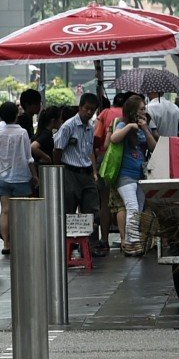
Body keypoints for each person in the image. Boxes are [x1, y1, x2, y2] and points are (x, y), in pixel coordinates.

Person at [108, 95, 153, 256]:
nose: (144, 111)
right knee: (132, 207)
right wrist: (130, 127)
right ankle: (132, 243)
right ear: (133, 111)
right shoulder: (122, 123)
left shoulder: (143, 127)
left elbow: (153, 147)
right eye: (141, 109)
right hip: (125, 175)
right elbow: (114, 138)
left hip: (140, 174)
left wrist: (146, 128)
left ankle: (131, 241)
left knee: (139, 208)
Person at [53, 94, 103, 220]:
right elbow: (57, 149)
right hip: (70, 172)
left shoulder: (90, 128)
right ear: (80, 107)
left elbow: (90, 150)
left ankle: (91, 240)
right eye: (86, 108)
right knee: (68, 210)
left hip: (87, 172)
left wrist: (94, 172)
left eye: (92, 110)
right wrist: (60, 170)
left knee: (92, 212)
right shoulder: (68, 126)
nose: (89, 112)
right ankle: (67, 239)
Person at [0, 102, 34, 256]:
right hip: (21, 177)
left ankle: (6, 243)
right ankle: (21, 241)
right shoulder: (22, 133)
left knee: (5, 211)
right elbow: (28, 157)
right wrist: (35, 176)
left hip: (3, 176)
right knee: (22, 212)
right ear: (17, 115)